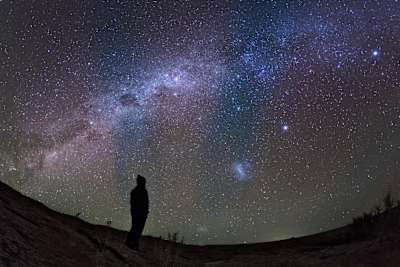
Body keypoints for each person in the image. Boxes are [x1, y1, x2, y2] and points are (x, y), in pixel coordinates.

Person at [126, 174, 149, 251]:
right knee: (136, 228)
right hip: (138, 213)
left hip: (140, 213)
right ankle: (133, 244)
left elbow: (146, 203)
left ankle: (131, 243)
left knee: (136, 228)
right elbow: (134, 203)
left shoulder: (139, 191)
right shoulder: (138, 191)